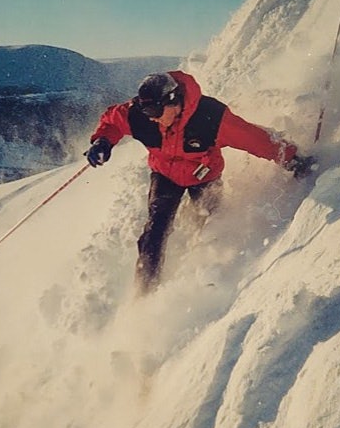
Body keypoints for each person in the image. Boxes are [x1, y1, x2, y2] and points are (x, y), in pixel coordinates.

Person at [84, 70, 315, 294]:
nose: (151, 117)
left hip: (204, 177)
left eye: (155, 109)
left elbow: (254, 140)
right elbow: (113, 120)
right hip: (165, 175)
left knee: (209, 224)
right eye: (146, 110)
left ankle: (201, 270)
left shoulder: (210, 117)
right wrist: (103, 141)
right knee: (155, 232)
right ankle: (144, 293)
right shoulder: (142, 115)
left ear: (173, 101)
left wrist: (292, 159)